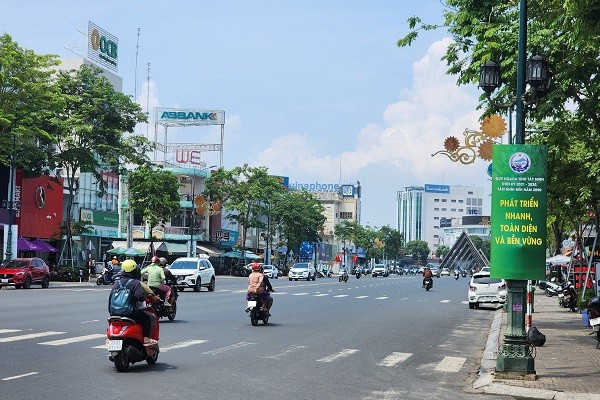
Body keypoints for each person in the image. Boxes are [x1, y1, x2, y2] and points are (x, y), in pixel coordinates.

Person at [108, 259, 157, 346]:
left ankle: (108, 339)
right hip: (130, 312)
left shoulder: (116, 283)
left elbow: (110, 299)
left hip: (113, 312)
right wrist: (144, 298)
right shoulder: (135, 283)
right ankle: (146, 338)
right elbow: (140, 297)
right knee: (147, 318)